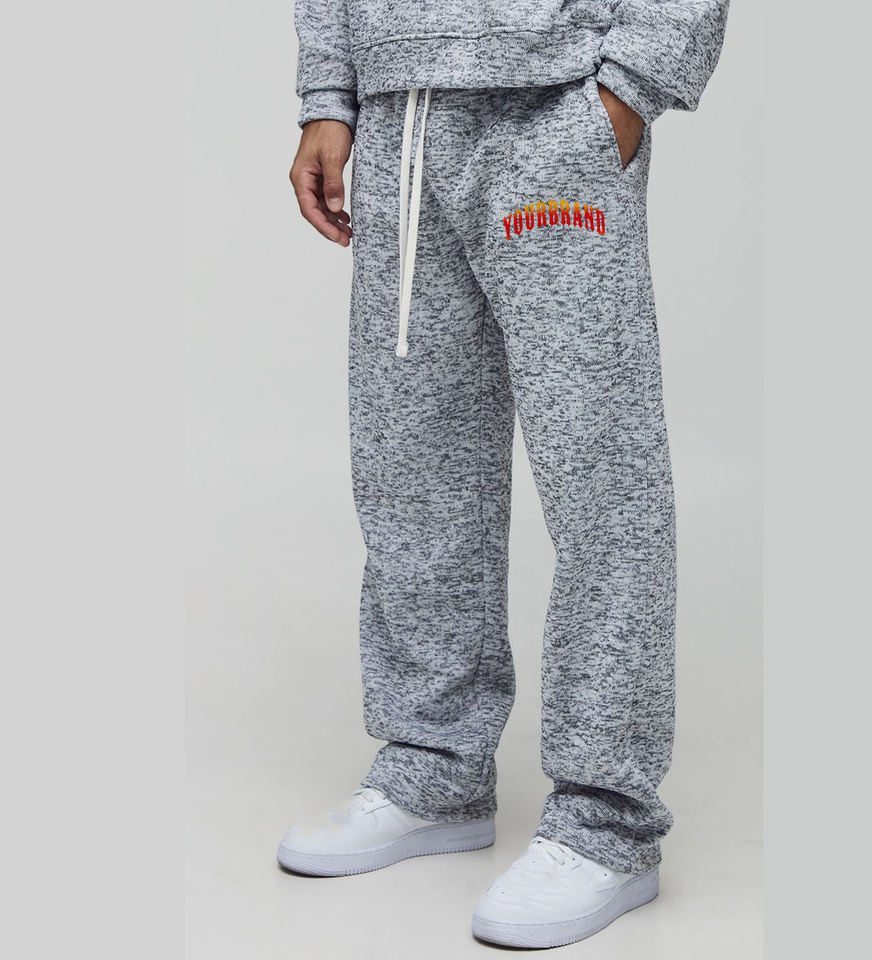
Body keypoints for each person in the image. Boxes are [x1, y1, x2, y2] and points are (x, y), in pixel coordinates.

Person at [277, 0, 728, 948]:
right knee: (413, 468)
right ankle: (434, 766)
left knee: (600, 479)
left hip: (553, 104)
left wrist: (631, 86)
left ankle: (606, 820)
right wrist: (329, 96)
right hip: (399, 117)